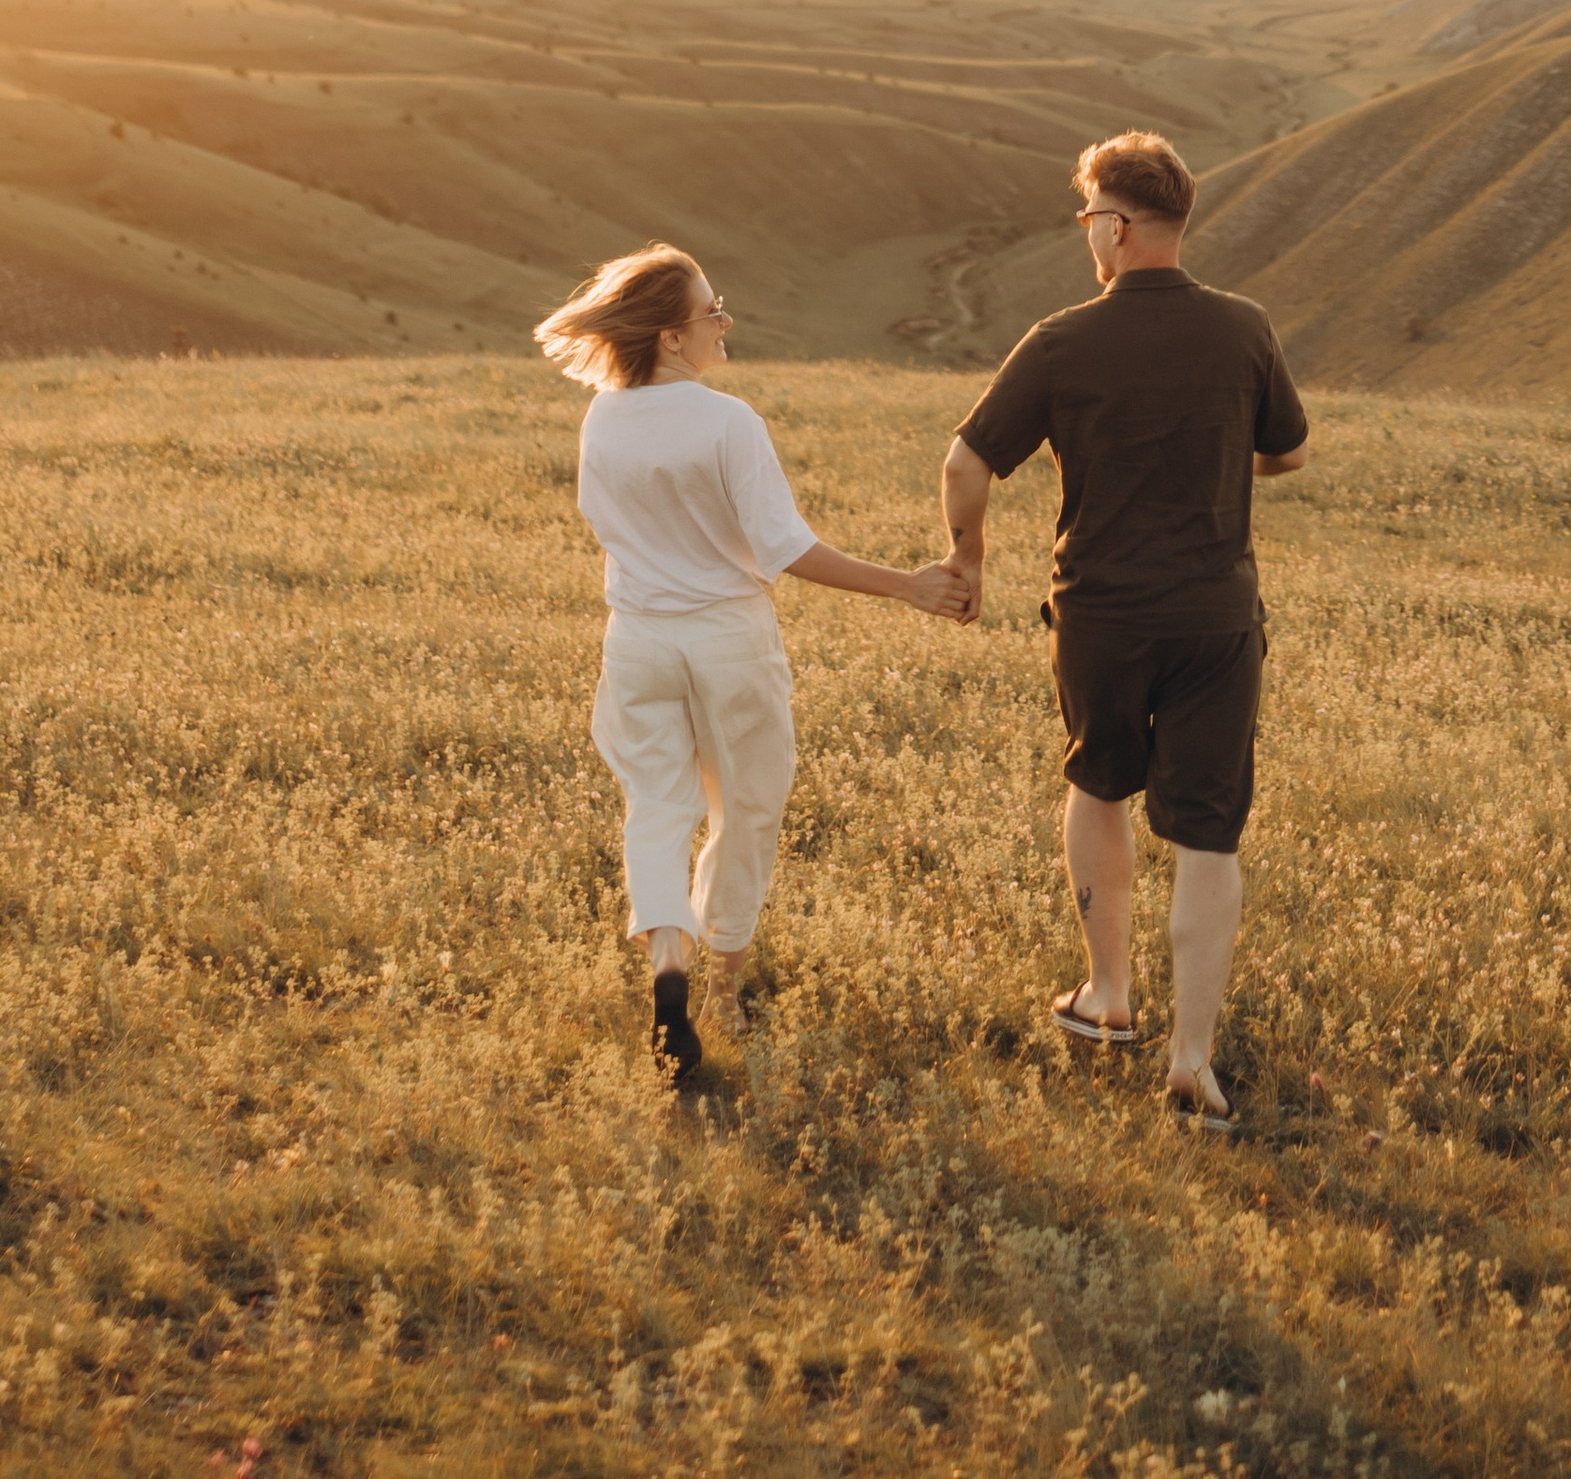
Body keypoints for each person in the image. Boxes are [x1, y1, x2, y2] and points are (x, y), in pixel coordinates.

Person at [937, 131, 1309, 1132]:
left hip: (1099, 613)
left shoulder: (1062, 340)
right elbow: (1289, 453)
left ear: (1117, 225)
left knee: (1098, 782)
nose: (1084, 235)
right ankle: (1191, 1058)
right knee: (1206, 836)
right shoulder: (1243, 329)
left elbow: (966, 465)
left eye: (1087, 218)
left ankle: (1107, 995)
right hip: (1215, 617)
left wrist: (966, 562)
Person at [537, 241, 968, 1079]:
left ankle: (670, 964)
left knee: (656, 807)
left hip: (636, 641)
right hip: (727, 638)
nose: (724, 322)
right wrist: (908, 587)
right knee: (746, 808)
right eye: (711, 311)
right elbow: (787, 547)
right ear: (669, 338)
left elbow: (607, 524)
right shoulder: (727, 420)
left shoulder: (603, 415)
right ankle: (722, 987)